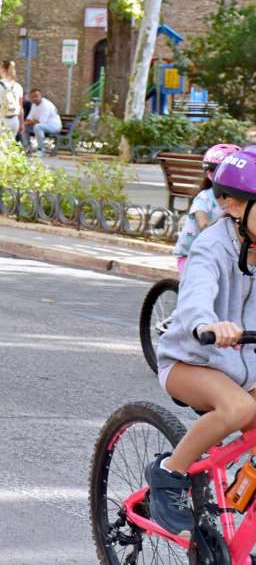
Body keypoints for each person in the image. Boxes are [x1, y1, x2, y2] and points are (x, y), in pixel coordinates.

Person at [147, 147, 256, 536]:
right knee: (238, 408)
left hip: (243, 366)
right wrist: (209, 324)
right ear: (230, 203)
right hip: (192, 360)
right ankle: (168, 472)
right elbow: (195, 296)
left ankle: (236, 494)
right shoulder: (212, 246)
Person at [172, 143, 242, 276]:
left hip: (220, 254)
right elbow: (203, 224)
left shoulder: (238, 200)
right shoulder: (204, 198)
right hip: (192, 255)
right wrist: (223, 218)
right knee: (202, 289)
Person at [0, 60, 24, 155]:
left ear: (2, 70)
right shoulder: (18, 86)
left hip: (1, 119)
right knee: (9, 146)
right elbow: (21, 108)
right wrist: (22, 123)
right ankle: (8, 167)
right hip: (15, 120)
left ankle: (1, 166)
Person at [21, 87, 62, 156]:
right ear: (30, 98)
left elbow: (40, 122)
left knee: (38, 126)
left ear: (41, 96)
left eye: (36, 96)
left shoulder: (46, 105)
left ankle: (41, 150)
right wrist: (23, 124)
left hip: (54, 126)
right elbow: (29, 119)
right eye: (32, 97)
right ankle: (27, 149)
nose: (34, 98)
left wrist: (27, 122)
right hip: (43, 126)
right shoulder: (34, 105)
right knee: (23, 127)